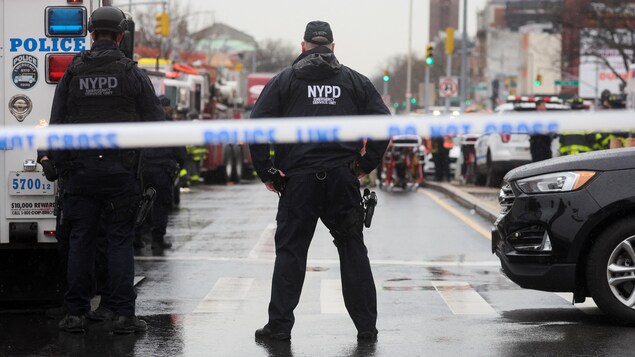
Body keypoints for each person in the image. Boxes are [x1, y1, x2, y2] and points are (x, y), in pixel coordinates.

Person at [249, 20, 389, 342]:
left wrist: (267, 171)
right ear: (333, 47)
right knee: (352, 249)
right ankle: (366, 328)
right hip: (341, 179)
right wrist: (365, 164)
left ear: (303, 46)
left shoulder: (284, 81)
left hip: (298, 182)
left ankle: (279, 327)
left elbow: (255, 128)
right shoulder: (354, 81)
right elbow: (383, 123)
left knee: (291, 253)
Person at [48, 6, 164, 334]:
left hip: (80, 173)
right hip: (120, 173)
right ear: (121, 36)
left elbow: (56, 125)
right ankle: (124, 316)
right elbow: (158, 123)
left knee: (81, 241)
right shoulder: (131, 72)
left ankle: (75, 315)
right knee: (119, 241)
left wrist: (59, 164)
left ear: (91, 33)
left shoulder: (73, 72)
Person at [134, 95, 187, 249]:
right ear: (167, 108)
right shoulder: (170, 126)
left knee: (141, 203)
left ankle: (136, 238)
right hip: (163, 170)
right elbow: (181, 152)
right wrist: (180, 166)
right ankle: (157, 240)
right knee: (160, 205)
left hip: (144, 169)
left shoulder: (144, 124)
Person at [529, 98, 553, 162]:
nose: (545, 107)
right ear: (538, 106)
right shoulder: (533, 117)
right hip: (537, 146)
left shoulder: (547, 116)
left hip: (546, 146)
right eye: (543, 105)